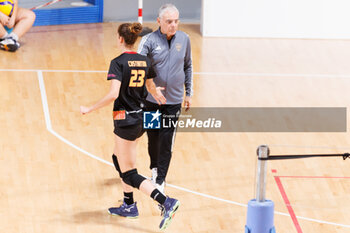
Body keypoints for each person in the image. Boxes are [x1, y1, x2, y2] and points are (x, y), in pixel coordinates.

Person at [80, 22, 180, 231]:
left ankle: (165, 201)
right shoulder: (145, 60)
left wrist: (90, 108)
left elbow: (114, 94)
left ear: (120, 39)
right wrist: (158, 94)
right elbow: (151, 85)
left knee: (128, 172)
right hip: (143, 117)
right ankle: (128, 204)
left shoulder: (118, 62)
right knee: (118, 157)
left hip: (126, 120)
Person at [137, 3, 193, 192]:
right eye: (169, 21)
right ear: (159, 21)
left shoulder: (184, 39)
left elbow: (188, 66)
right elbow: (139, 65)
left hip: (174, 101)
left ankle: (160, 179)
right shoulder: (148, 41)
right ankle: (154, 168)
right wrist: (152, 88)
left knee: (166, 139)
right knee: (153, 136)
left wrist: (189, 93)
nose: (173, 25)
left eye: (176, 21)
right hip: (151, 101)